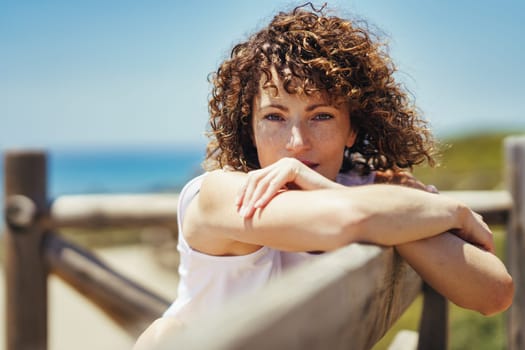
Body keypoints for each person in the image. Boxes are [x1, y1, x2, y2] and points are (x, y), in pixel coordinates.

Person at [134, 3, 513, 348]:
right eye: (274, 117)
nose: (297, 143)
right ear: (249, 128)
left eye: (321, 116)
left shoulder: (377, 193)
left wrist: (323, 185)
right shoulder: (218, 194)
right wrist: (452, 212)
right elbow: (348, 219)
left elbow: (494, 294)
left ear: (353, 129)